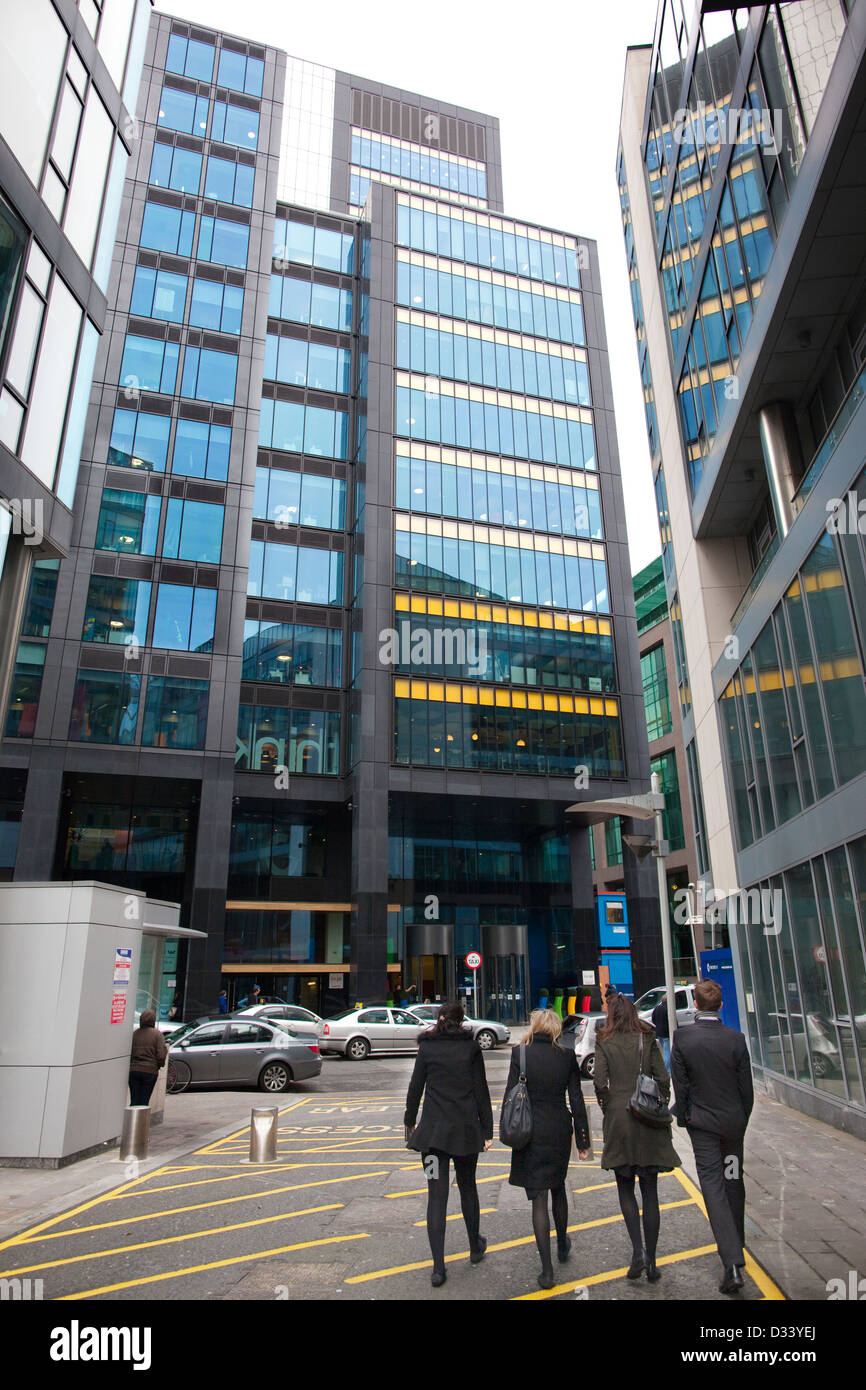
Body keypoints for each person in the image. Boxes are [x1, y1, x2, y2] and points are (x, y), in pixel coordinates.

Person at [670, 978, 754, 1295]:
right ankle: (738, 1245)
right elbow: (746, 1089)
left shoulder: (683, 1038)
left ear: (695, 1005)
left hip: (703, 1127)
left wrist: (687, 1118)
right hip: (732, 1126)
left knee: (713, 1187)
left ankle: (731, 1263)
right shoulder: (736, 1039)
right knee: (733, 1180)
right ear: (720, 1005)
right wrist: (741, 1121)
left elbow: (682, 1085)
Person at [404, 1000, 493, 1287]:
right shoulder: (470, 1048)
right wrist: (488, 1130)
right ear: (462, 1019)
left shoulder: (427, 1048)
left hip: (431, 1138)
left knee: (436, 1196)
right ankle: (474, 1245)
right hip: (466, 1134)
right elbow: (481, 1090)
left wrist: (409, 1122)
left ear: (439, 1019)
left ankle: (439, 1268)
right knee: (468, 1186)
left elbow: (415, 1087)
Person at [594, 993, 681, 1282]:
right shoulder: (647, 1038)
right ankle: (653, 1262)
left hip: (619, 1117)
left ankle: (637, 1252)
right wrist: (658, 1104)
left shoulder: (604, 1039)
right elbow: (663, 1078)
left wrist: (608, 1105)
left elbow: (599, 1081)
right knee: (650, 1190)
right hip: (645, 1117)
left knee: (625, 1187)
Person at [503, 1008, 592, 1289]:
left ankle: (546, 1270)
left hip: (530, 1131)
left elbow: (510, 1096)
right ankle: (562, 1244)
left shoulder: (521, 1054)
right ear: (554, 1028)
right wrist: (583, 1142)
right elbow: (577, 1100)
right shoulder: (565, 1056)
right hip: (558, 1128)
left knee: (538, 1199)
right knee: (558, 1187)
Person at [129, 1009, 168, 1106]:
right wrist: (159, 1065)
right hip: (150, 1071)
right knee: (144, 1100)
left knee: (134, 1099)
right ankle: (141, 1120)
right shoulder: (157, 1035)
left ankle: (133, 1118)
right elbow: (161, 1055)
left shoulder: (135, 1034)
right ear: (153, 1020)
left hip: (133, 1070)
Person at [651, 995, 671, 1068]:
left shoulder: (657, 1008)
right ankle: (668, 1070)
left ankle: (666, 1067)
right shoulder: (668, 1009)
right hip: (666, 1033)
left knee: (664, 1051)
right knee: (667, 1052)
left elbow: (653, 1019)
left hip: (659, 1033)